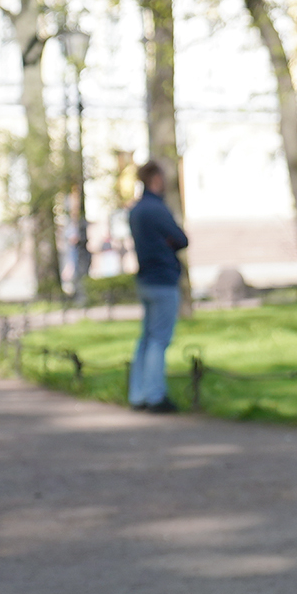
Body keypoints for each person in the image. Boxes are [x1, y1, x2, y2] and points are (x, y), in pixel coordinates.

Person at [127, 160, 188, 413]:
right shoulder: (156, 209)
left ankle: (138, 393)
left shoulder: (135, 210)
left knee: (147, 337)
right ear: (155, 179)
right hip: (162, 279)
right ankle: (155, 395)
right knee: (158, 339)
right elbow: (182, 239)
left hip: (145, 279)